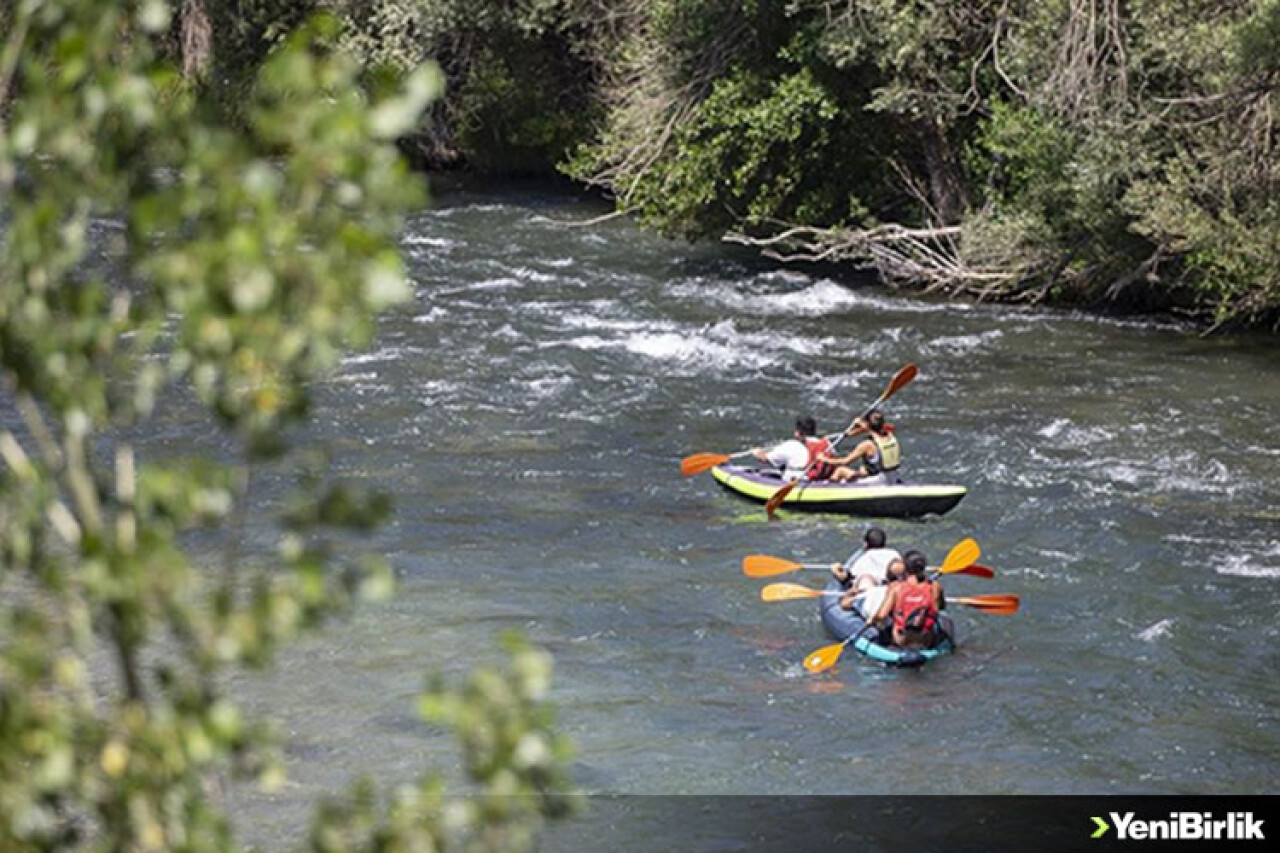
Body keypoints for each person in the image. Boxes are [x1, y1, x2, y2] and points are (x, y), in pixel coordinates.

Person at [869, 550, 944, 650]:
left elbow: (881, 615)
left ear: (905, 567)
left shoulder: (895, 587)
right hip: (925, 640)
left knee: (883, 624)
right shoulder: (935, 586)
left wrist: (871, 620)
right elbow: (941, 607)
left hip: (901, 639)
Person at [822, 409, 901, 484]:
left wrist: (824, 459)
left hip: (878, 482)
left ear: (867, 424)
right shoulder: (891, 435)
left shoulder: (867, 445)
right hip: (894, 477)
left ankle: (827, 488)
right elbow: (873, 428)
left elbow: (845, 461)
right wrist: (854, 430)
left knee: (840, 470)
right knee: (862, 470)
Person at [750, 416, 833, 482]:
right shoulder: (827, 444)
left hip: (798, 480)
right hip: (820, 479)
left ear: (797, 432)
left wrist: (756, 452)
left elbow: (766, 459)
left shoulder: (791, 445)